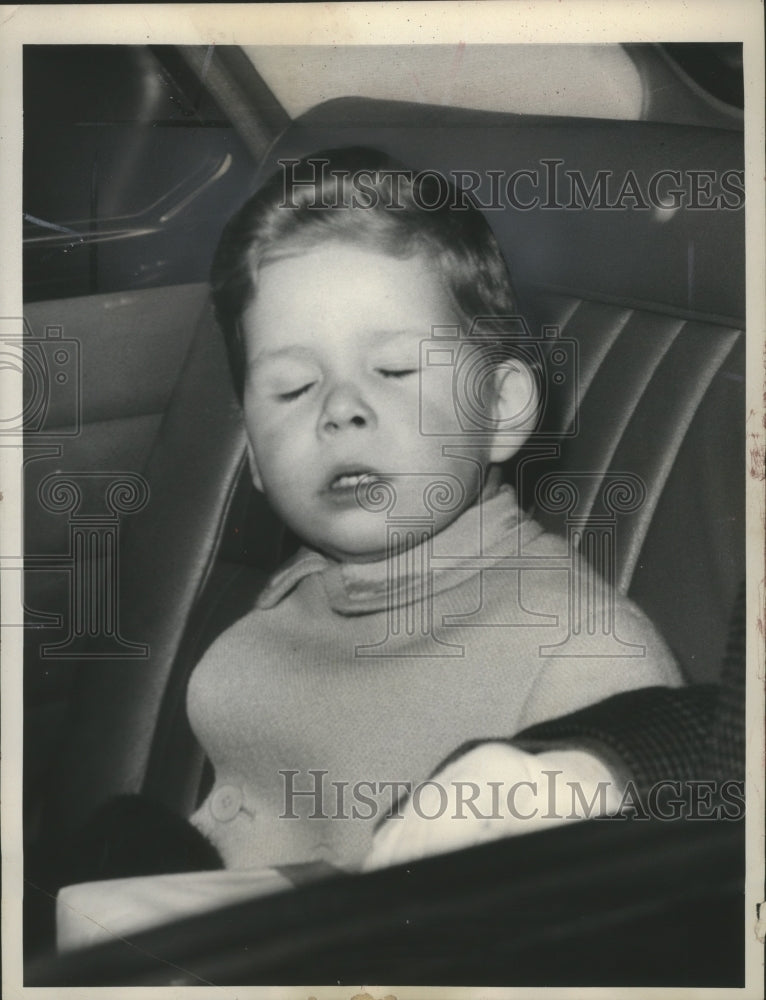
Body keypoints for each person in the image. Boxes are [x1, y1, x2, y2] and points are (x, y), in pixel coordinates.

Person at [185, 146, 682, 873]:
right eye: (292, 388)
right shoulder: (290, 604)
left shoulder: (582, 659)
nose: (340, 411)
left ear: (502, 407)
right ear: (254, 457)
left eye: (393, 370)